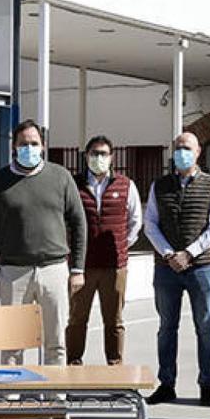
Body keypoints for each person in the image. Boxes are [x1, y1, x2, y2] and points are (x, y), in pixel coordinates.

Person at [0, 119, 87, 366]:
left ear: (43, 146)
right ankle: (12, 397)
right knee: (12, 343)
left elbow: (79, 223)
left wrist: (77, 269)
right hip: (13, 273)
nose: (29, 148)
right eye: (24, 143)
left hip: (54, 270)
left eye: (34, 143)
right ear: (14, 146)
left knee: (56, 342)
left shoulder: (61, 177)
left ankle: (53, 397)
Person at [143, 131, 210, 406]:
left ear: (199, 151)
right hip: (167, 269)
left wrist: (189, 253)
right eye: (178, 148)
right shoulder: (159, 185)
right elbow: (150, 224)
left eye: (187, 148)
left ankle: (207, 384)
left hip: (202, 267)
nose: (182, 152)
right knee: (167, 327)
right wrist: (169, 254)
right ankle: (167, 383)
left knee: (205, 326)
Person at [65, 135, 143, 365]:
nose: (99, 158)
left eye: (103, 154)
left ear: (111, 157)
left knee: (114, 320)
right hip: (82, 266)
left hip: (115, 266)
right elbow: (63, 219)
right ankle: (74, 365)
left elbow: (135, 220)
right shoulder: (73, 184)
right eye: (94, 153)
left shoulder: (125, 185)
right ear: (86, 156)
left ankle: (115, 367)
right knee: (77, 319)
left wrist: (121, 244)